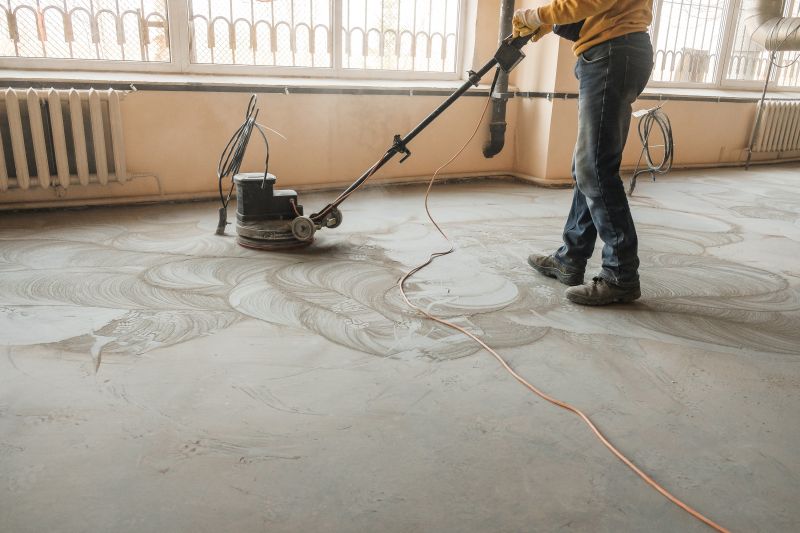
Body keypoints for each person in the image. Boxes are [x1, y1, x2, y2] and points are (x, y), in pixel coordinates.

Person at [512, 1, 654, 306]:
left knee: (595, 169)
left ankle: (621, 276)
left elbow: (587, 3)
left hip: (613, 53)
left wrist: (534, 15)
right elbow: (596, 13)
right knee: (587, 167)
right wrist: (548, 24)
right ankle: (570, 258)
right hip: (613, 52)